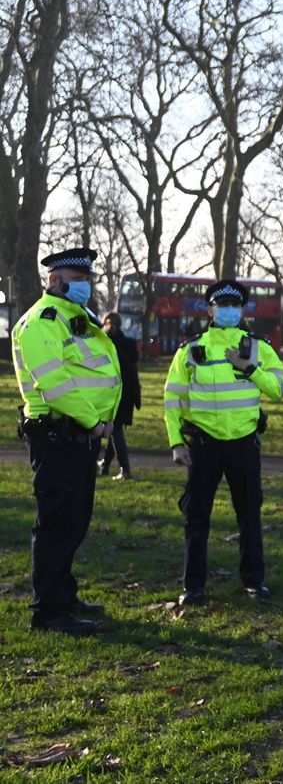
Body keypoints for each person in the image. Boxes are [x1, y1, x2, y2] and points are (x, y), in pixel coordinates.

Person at [12, 248, 122, 636]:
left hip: (81, 437)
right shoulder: (42, 321)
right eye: (77, 279)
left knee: (74, 522)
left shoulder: (77, 317)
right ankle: (48, 612)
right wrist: (95, 422)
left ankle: (64, 596)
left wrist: (105, 421)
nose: (84, 286)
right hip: (58, 436)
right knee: (56, 524)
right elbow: (54, 384)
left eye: (87, 279)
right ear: (54, 280)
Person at [164, 280, 283, 606]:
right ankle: (193, 587)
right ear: (211, 310)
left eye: (235, 305)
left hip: (243, 444)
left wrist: (250, 370)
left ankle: (254, 581)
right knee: (196, 517)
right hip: (203, 446)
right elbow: (173, 399)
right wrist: (176, 443)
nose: (230, 311)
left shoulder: (257, 348)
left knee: (249, 515)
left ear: (242, 311)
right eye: (223, 305)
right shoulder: (191, 350)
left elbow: (279, 388)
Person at [99, 311, 142, 480]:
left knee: (115, 430)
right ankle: (105, 465)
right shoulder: (129, 343)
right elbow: (134, 366)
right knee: (115, 429)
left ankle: (125, 469)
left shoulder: (104, 344)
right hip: (129, 393)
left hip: (112, 392)